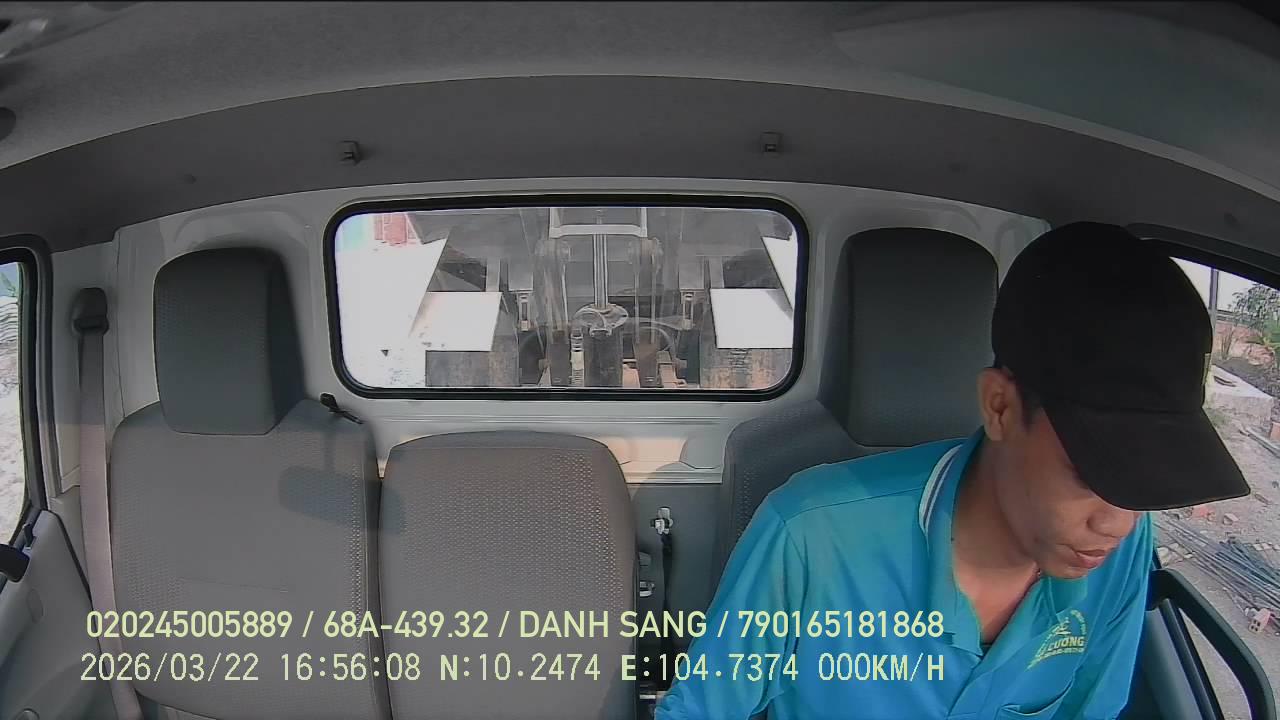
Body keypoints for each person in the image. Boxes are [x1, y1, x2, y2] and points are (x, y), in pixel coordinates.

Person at [656, 222, 1249, 720]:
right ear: (1000, 407)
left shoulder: (1121, 548)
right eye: (1094, 473)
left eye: (1143, 486)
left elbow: (1093, 708)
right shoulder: (811, 537)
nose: (1116, 522)